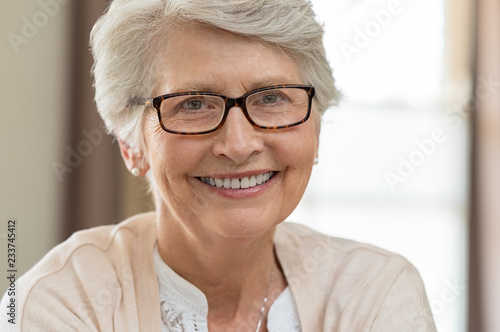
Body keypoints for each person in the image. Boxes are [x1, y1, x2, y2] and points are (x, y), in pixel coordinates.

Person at [1, 0, 437, 331]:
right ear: (131, 146)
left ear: (316, 129)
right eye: (193, 103)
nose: (239, 144)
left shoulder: (377, 292)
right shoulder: (57, 305)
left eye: (270, 97)